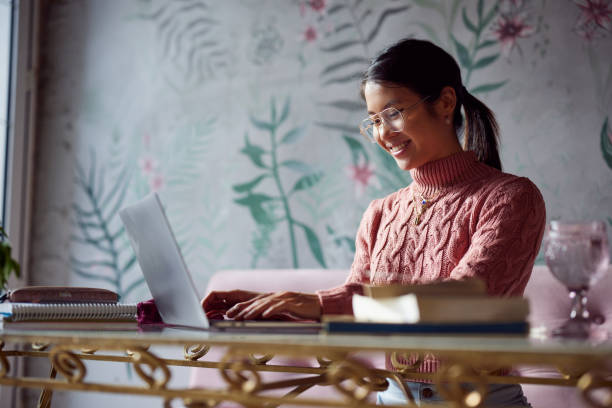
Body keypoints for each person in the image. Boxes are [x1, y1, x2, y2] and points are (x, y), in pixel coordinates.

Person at [202, 38, 546, 406]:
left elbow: (464, 299)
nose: (382, 135)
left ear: (445, 103)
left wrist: (318, 302)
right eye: (374, 121)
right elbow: (353, 317)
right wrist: (267, 309)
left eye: (394, 113)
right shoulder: (381, 212)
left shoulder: (511, 198)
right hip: (389, 398)